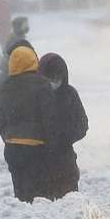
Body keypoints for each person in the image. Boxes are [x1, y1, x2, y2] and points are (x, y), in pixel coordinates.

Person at [0, 45, 57, 203]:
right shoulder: (42, 84)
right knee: (40, 197)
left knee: (21, 196)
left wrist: (11, 138)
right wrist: (51, 144)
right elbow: (50, 118)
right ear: (33, 61)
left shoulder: (4, 87)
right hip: (37, 149)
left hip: (12, 150)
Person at [38, 53, 88, 199]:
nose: (54, 82)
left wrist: (64, 137)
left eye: (57, 78)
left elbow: (82, 124)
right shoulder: (36, 95)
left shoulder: (70, 94)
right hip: (40, 163)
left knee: (69, 206)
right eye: (50, 78)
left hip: (65, 162)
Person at [0, 16, 34, 92]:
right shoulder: (16, 40)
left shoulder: (16, 38)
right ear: (18, 27)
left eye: (27, 24)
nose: (27, 27)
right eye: (25, 25)